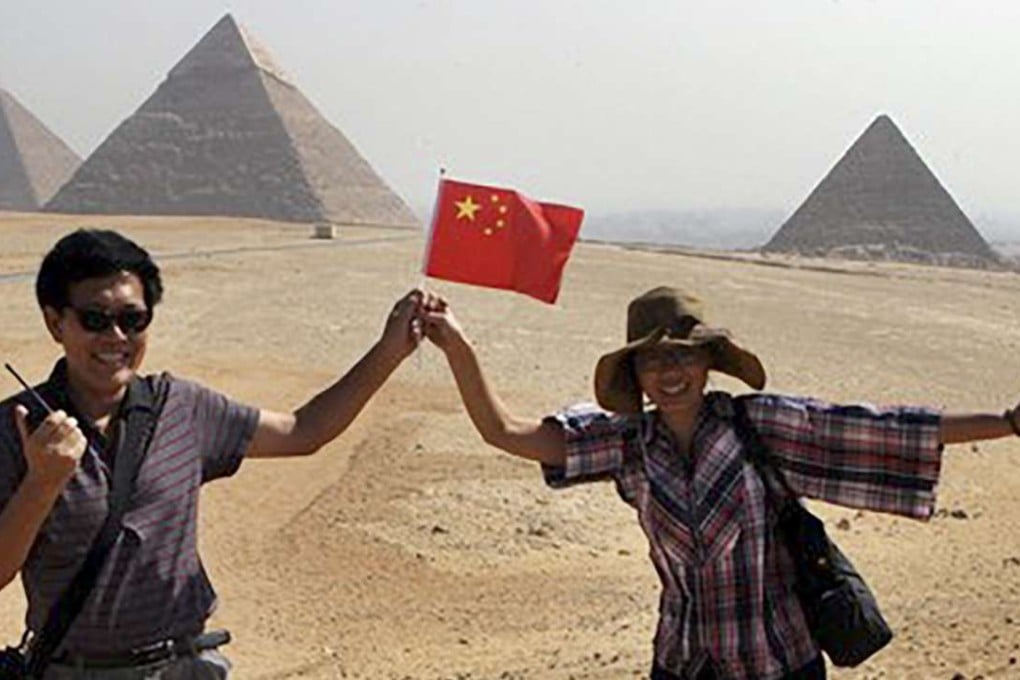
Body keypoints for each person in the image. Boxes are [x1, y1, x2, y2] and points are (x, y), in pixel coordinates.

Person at [421, 285, 1020, 680]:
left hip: (777, 661)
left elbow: (883, 430)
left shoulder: (762, 425)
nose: (670, 371)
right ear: (636, 374)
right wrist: (457, 346)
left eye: (684, 354)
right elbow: (506, 431)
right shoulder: (627, 442)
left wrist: (1009, 422)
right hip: (684, 663)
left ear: (709, 362)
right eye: (653, 359)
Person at [0, 229, 426, 679]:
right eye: (95, 320)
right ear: (55, 323)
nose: (116, 336)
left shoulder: (181, 407)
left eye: (133, 318)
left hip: (182, 666)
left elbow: (305, 431)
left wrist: (390, 351)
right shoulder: (17, 427)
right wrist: (42, 483)